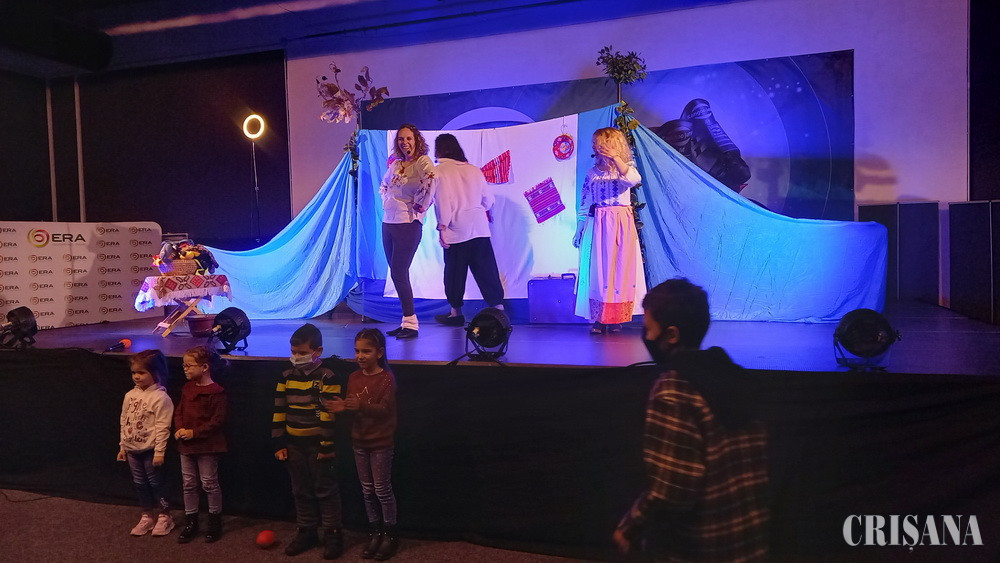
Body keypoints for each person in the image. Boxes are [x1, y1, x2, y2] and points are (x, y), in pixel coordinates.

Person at [613, 278, 769, 562]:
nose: (646, 337)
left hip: (700, 546)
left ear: (671, 335)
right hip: (749, 539)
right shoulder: (733, 375)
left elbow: (673, 487)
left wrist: (630, 527)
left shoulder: (674, 389)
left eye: (649, 329)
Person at [324, 328, 400, 560]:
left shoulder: (386, 378)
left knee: (382, 490)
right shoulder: (354, 377)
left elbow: (385, 409)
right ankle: (374, 531)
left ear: (379, 353)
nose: (360, 356)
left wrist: (360, 406)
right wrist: (343, 407)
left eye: (366, 351)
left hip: (380, 442)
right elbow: (352, 405)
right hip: (359, 440)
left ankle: (389, 534)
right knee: (367, 490)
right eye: (357, 351)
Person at [273, 323, 346, 559]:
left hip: (318, 445)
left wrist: (326, 445)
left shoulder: (327, 376)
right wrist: (279, 443)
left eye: (302, 353)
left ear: (318, 351)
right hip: (294, 445)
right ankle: (306, 531)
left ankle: (333, 534)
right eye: (293, 352)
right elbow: (279, 410)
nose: (296, 357)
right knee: (300, 490)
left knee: (325, 489)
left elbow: (328, 414)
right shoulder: (286, 376)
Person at [573, 126, 644, 334]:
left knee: (619, 270)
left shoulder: (625, 169)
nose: (597, 147)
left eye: (602, 143)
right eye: (596, 144)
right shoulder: (592, 173)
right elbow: (585, 202)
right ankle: (600, 317)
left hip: (620, 224)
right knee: (599, 271)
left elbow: (633, 180)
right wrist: (579, 229)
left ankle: (616, 317)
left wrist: (616, 158)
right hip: (599, 223)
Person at [431, 133, 505, 326]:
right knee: (487, 272)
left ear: (439, 150)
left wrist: (442, 227)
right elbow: (489, 201)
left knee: (454, 275)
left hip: (456, 231)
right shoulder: (474, 170)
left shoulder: (439, 172)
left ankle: (456, 313)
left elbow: (442, 202)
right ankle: (500, 312)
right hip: (479, 228)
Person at [380, 123, 438, 339]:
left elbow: (432, 179)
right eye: (401, 139)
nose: (405, 142)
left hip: (407, 224)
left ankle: (411, 324)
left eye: (409, 138)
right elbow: (384, 185)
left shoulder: (422, 161)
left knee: (398, 272)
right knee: (397, 274)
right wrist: (387, 200)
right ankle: (407, 321)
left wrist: (422, 203)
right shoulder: (396, 164)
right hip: (388, 223)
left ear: (416, 140)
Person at [117, 349, 175, 537]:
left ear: (156, 372)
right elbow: (124, 420)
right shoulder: (129, 395)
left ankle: (165, 516)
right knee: (140, 483)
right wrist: (122, 446)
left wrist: (160, 452)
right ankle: (147, 515)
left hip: (150, 450)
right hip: (132, 450)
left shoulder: (161, 398)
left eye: (141, 372)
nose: (136, 376)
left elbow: (163, 427)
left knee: (156, 483)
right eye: (134, 372)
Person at [174, 345, 228, 544]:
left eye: (189, 365)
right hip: (187, 445)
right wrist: (180, 428)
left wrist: (194, 432)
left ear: (205, 367)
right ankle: (191, 521)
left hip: (207, 445)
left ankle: (214, 521)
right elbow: (179, 411)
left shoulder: (217, 393)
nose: (185, 368)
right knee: (189, 483)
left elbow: (218, 421)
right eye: (184, 365)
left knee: (209, 483)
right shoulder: (187, 388)